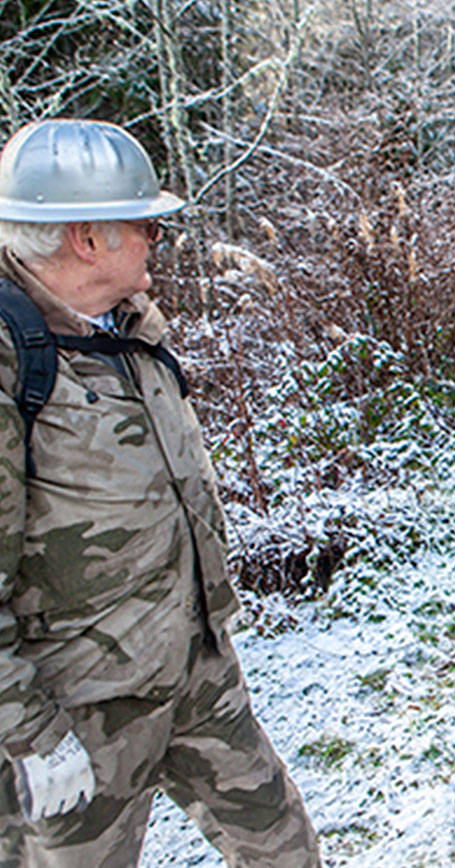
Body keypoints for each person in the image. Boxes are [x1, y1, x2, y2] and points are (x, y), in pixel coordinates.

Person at [0, 119, 320, 866]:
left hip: (193, 671)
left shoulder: (129, 331)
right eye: (145, 224)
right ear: (87, 238)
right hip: (78, 715)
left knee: (284, 848)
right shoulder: (12, 359)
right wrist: (31, 736)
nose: (157, 238)